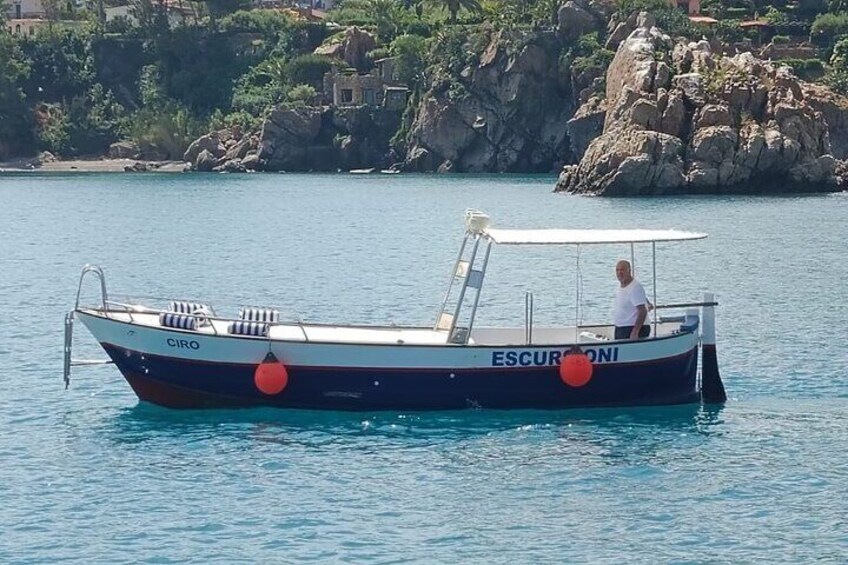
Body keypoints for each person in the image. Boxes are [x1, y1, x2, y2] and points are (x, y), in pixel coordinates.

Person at [613, 260, 651, 340]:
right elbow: (637, 298)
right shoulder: (622, 286)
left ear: (629, 271)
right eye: (617, 270)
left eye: (622, 270)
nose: (620, 272)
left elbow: (642, 311)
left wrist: (635, 332)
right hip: (621, 328)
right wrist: (647, 301)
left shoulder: (635, 287)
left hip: (631, 328)